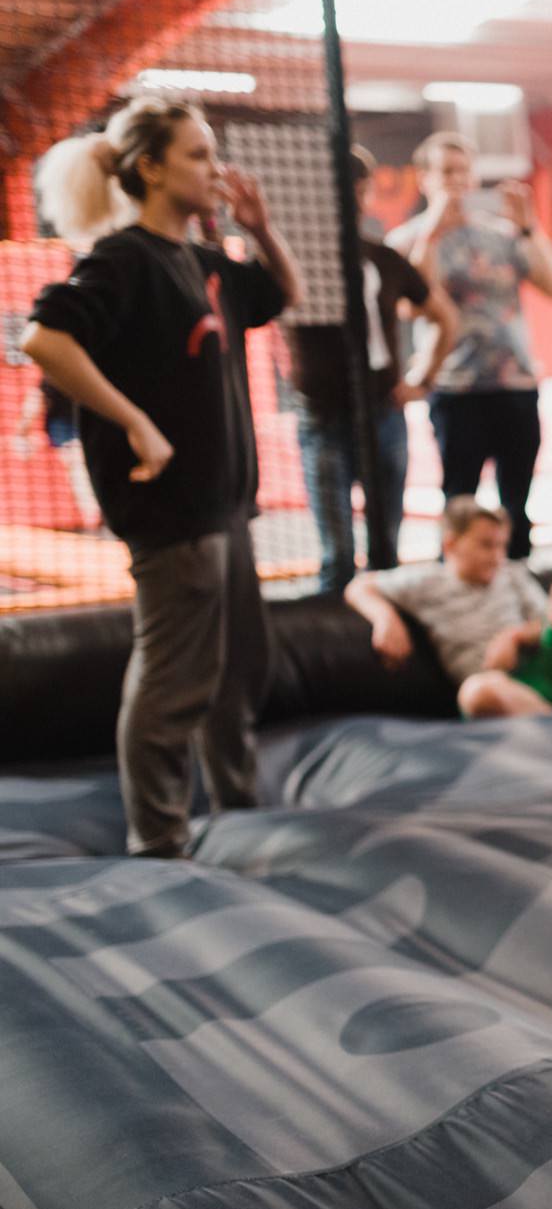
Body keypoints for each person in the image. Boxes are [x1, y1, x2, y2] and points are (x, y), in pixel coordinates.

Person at [21, 97, 303, 857]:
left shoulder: (201, 261)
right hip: (172, 514)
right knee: (174, 684)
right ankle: (159, 842)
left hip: (224, 508)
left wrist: (261, 229)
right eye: (199, 156)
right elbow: (44, 339)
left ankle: (237, 810)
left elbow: (280, 297)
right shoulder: (122, 259)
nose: (216, 170)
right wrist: (135, 420)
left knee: (237, 673)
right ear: (150, 168)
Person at [283, 144, 458, 593]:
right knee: (336, 556)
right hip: (323, 415)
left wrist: (422, 377)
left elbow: (444, 317)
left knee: (386, 547)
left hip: (383, 411)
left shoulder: (382, 258)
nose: (352, 200)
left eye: (358, 191)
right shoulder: (297, 257)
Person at [388, 132, 552, 561]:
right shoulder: (408, 239)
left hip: (515, 384)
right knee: (459, 499)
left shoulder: (501, 236)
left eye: (464, 171)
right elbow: (409, 306)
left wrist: (528, 226)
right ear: (425, 178)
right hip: (456, 389)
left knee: (516, 505)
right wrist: (433, 229)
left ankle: (519, 584)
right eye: (447, 171)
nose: (457, 181)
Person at [344, 498, 552, 718]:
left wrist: (515, 637)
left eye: (501, 546)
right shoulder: (425, 582)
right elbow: (359, 586)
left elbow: (545, 620)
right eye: (486, 546)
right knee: (476, 692)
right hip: (501, 692)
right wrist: (385, 619)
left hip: (544, 667)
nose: (497, 556)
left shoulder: (509, 572)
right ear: (451, 545)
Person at [9, 375, 99, 528]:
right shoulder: (54, 376)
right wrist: (22, 432)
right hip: (71, 431)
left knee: (79, 469)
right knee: (78, 468)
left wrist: (22, 433)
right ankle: (93, 515)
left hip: (86, 429)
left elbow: (35, 400)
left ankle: (94, 514)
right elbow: (36, 399)